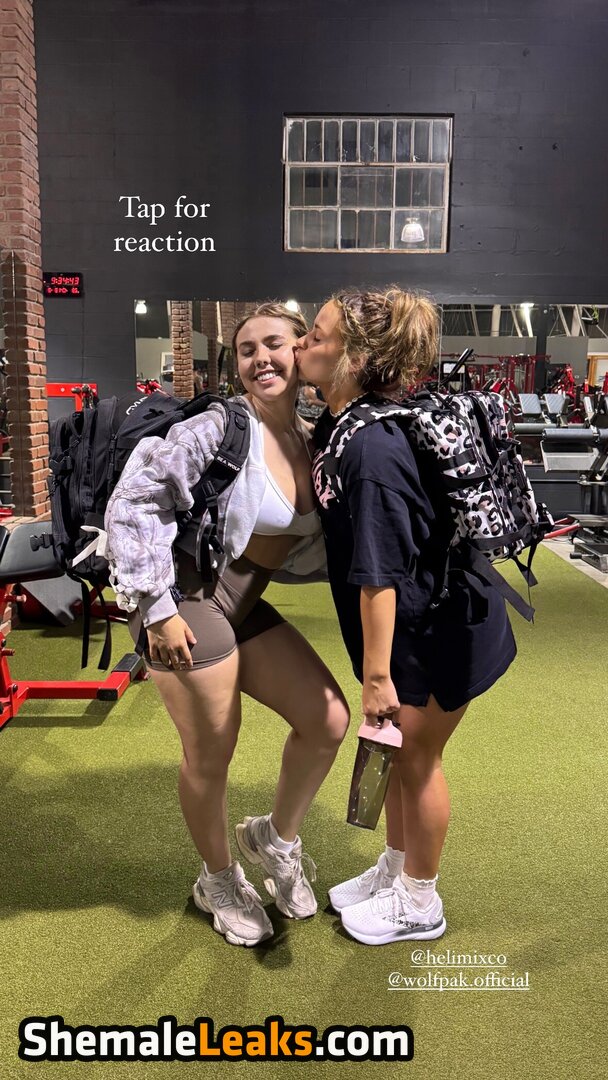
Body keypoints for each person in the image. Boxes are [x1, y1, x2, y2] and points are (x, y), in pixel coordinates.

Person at [104, 302, 349, 948]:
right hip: (182, 601)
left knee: (328, 720)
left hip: (239, 601)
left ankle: (275, 839)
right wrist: (157, 610)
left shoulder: (314, 436)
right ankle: (216, 879)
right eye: (246, 349)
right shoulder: (221, 426)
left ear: (302, 350)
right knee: (212, 753)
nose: (260, 358)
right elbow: (133, 502)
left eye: (274, 344)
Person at [295, 287, 517, 945]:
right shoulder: (341, 423)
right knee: (394, 751)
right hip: (412, 623)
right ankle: (395, 869)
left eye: (317, 335)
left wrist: (376, 678)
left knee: (417, 758)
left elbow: (380, 575)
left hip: (440, 628)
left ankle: (420, 901)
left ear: (357, 358)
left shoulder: (371, 450)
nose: (303, 342)